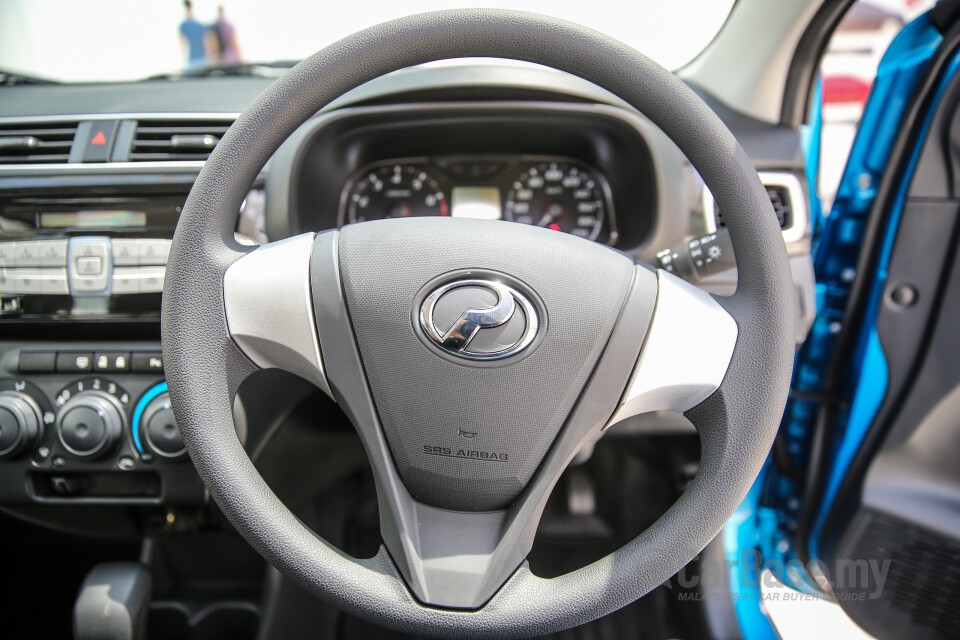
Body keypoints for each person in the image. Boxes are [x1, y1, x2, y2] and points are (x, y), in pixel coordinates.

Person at [179, 0, 207, 70]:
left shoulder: (185, 25)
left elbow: (182, 43)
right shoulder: (198, 25)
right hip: (199, 58)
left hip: (195, 59)